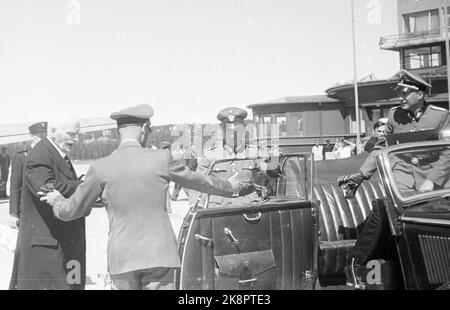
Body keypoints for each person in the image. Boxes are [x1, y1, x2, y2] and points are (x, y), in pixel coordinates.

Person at [39, 104, 252, 290]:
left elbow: (71, 211)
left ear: (118, 132)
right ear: (144, 130)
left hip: (122, 259)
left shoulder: (100, 167)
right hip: (160, 256)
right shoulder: (161, 159)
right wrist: (230, 186)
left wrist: (56, 200)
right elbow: (199, 181)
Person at [337, 69, 450, 287]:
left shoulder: (441, 116)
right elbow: (381, 148)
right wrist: (360, 176)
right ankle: (357, 264)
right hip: (403, 178)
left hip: (434, 182)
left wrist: (432, 181)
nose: (402, 97)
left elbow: (448, 152)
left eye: (406, 92)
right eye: (400, 92)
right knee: (388, 209)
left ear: (421, 94)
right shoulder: (394, 115)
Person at [13, 114, 85, 290]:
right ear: (52, 132)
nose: (75, 139)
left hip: (65, 245)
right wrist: (84, 186)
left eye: (77, 134)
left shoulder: (57, 154)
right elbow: (46, 188)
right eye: (70, 134)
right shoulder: (39, 155)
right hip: (48, 249)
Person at [8, 121, 47, 290]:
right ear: (32, 136)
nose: (42, 139)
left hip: (44, 209)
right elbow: (15, 186)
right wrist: (13, 213)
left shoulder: (48, 155)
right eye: (39, 136)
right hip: (26, 210)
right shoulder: (21, 157)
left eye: (44, 136)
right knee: (23, 248)